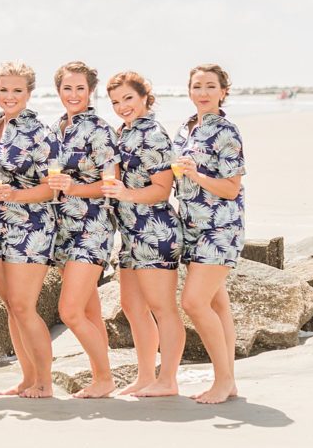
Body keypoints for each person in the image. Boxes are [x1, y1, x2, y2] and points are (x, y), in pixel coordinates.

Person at [101, 71, 185, 397]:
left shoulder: (153, 134)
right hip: (130, 235)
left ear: (145, 97)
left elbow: (162, 190)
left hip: (155, 232)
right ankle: (146, 376)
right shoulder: (123, 132)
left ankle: (169, 380)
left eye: (128, 99)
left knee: (162, 308)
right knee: (132, 306)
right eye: (116, 102)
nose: (122, 107)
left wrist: (125, 194)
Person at [0, 62, 59, 398]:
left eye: (16, 90)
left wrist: (16, 195)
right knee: (12, 306)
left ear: (28, 93)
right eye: (3, 90)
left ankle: (45, 382)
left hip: (31, 227)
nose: (8, 96)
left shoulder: (41, 133)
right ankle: (26, 378)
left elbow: (52, 190)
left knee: (25, 306)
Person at [45, 61, 119, 399]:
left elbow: (110, 183)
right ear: (58, 90)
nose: (73, 95)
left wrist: (73, 188)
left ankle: (105, 379)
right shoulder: (56, 128)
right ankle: (100, 376)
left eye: (80, 88)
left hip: (92, 227)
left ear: (90, 91)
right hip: (62, 228)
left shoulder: (100, 130)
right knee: (90, 311)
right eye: (67, 88)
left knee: (70, 311)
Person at [173, 64, 246, 404]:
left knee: (194, 302)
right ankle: (228, 381)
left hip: (220, 229)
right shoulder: (186, 130)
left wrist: (197, 175)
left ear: (223, 92)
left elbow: (231, 188)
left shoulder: (226, 131)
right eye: (197, 86)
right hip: (192, 228)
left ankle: (222, 381)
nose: (202, 92)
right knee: (217, 303)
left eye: (210, 86)